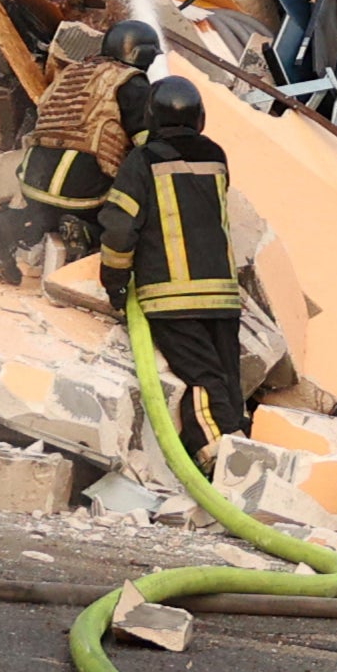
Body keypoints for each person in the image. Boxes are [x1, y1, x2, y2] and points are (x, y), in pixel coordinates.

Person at [98, 71, 248, 458]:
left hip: (171, 297)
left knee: (201, 379)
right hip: (222, 296)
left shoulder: (143, 160)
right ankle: (245, 451)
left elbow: (119, 226)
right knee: (229, 380)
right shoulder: (216, 155)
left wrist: (114, 280)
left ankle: (219, 461)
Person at [0, 20, 130, 281]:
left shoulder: (72, 73)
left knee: (42, 213)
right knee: (118, 212)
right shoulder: (131, 83)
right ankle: (86, 232)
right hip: (82, 186)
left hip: (35, 173)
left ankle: (0, 227)